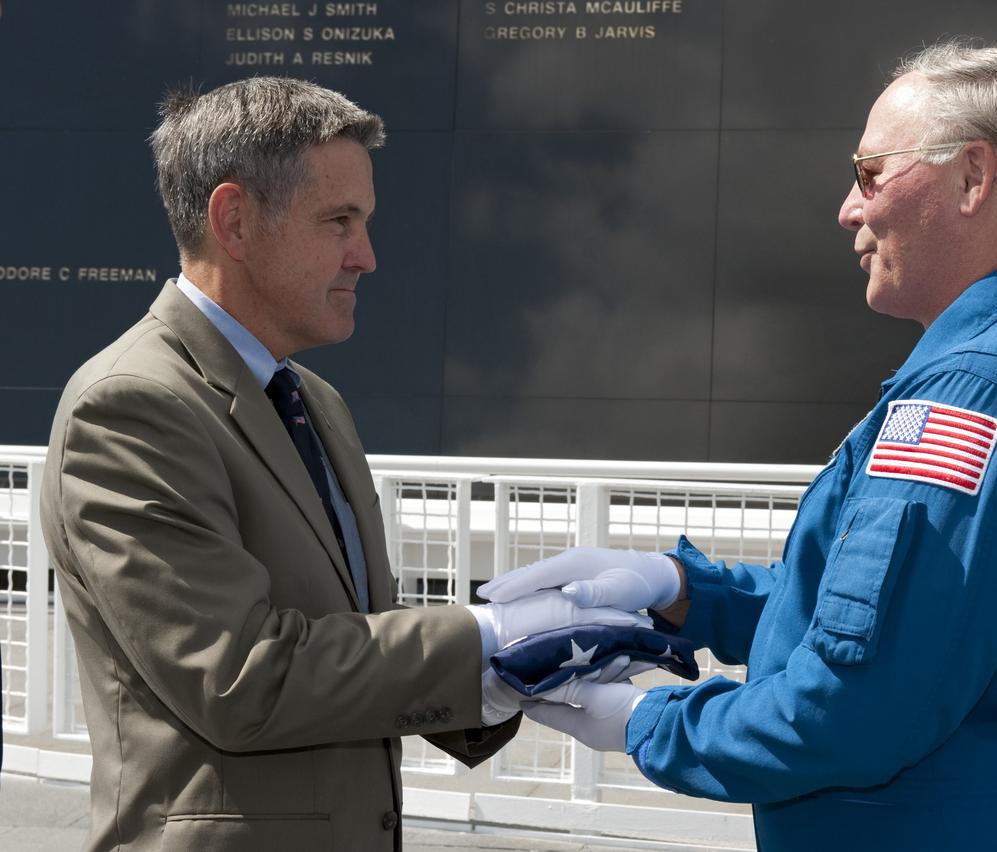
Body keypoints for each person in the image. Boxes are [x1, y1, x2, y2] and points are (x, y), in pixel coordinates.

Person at [481, 42, 997, 850]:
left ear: (973, 177)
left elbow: (855, 703)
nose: (848, 209)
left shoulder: (979, 387)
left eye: (870, 173)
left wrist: (651, 722)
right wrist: (685, 593)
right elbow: (885, 621)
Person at [39, 77, 642, 852]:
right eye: (338, 221)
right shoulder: (130, 406)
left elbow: (357, 637)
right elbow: (243, 677)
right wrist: (491, 637)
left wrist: (518, 672)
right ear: (234, 220)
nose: (367, 256)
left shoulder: (313, 400)